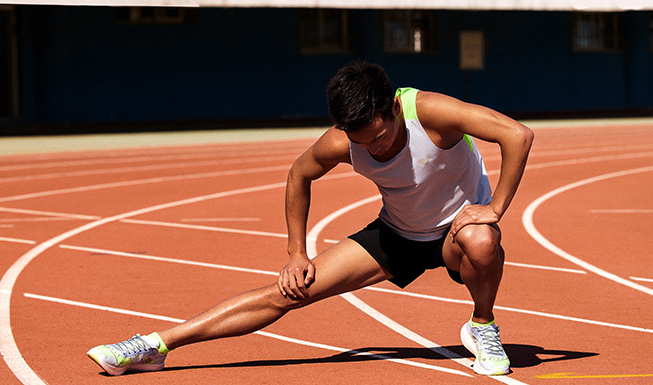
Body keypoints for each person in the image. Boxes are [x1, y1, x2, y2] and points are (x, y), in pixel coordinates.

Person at [87, 60, 534, 377]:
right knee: (286, 293)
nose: (374, 148)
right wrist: (295, 252)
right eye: (364, 142)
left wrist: (494, 207)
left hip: (455, 234)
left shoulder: (432, 113)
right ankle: (155, 346)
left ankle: (482, 326)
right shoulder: (344, 140)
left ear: (394, 108)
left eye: (380, 136)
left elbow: (517, 134)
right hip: (397, 233)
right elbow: (300, 174)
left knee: (482, 239)